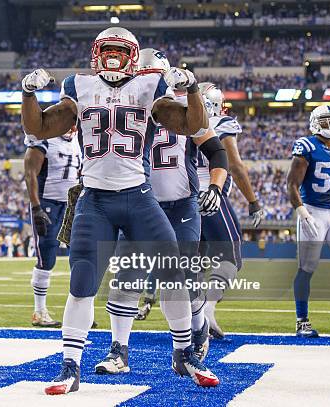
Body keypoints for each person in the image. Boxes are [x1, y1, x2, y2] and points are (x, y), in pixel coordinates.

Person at [21, 27, 220, 394]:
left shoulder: (149, 86)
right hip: (95, 200)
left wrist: (191, 89)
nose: (112, 59)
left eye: (119, 52)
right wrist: (29, 93)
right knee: (82, 282)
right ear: (96, 54)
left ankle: (184, 353)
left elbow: (196, 124)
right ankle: (70, 367)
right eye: (106, 51)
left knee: (173, 276)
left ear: (132, 55)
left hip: (139, 197)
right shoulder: (78, 85)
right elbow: (40, 126)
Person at [94, 49, 229, 375]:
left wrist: (214, 187)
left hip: (181, 203)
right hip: (140, 202)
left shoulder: (181, 109)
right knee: (127, 276)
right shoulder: (123, 110)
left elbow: (217, 152)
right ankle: (119, 351)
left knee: (181, 277)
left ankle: (192, 338)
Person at [197, 82, 265, 339]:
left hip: (185, 197)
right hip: (210, 195)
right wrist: (252, 200)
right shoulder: (222, 124)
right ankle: (207, 310)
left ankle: (191, 319)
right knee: (231, 257)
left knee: (195, 261)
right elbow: (234, 165)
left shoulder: (184, 123)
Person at [287, 105, 330, 337]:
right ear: (314, 123)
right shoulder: (306, 146)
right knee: (307, 268)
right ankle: (302, 321)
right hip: (313, 211)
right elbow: (292, 184)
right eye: (325, 121)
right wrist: (302, 212)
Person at [24, 126, 81, 327]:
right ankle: (39, 311)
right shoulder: (44, 140)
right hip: (47, 204)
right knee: (47, 254)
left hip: (71, 204)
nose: (72, 126)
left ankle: (78, 313)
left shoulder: (78, 141)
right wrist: (36, 206)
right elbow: (30, 172)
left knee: (81, 256)